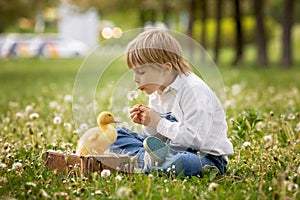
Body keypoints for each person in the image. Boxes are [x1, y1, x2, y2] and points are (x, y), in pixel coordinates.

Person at [110, 29, 234, 177]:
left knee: (181, 162)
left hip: (204, 157)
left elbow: (195, 140)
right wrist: (148, 123)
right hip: (170, 150)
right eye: (134, 72)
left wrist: (159, 122)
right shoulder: (157, 91)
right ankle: (148, 162)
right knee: (113, 136)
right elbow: (157, 142)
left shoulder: (193, 90)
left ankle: (138, 162)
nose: (135, 79)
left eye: (141, 72)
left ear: (166, 68)